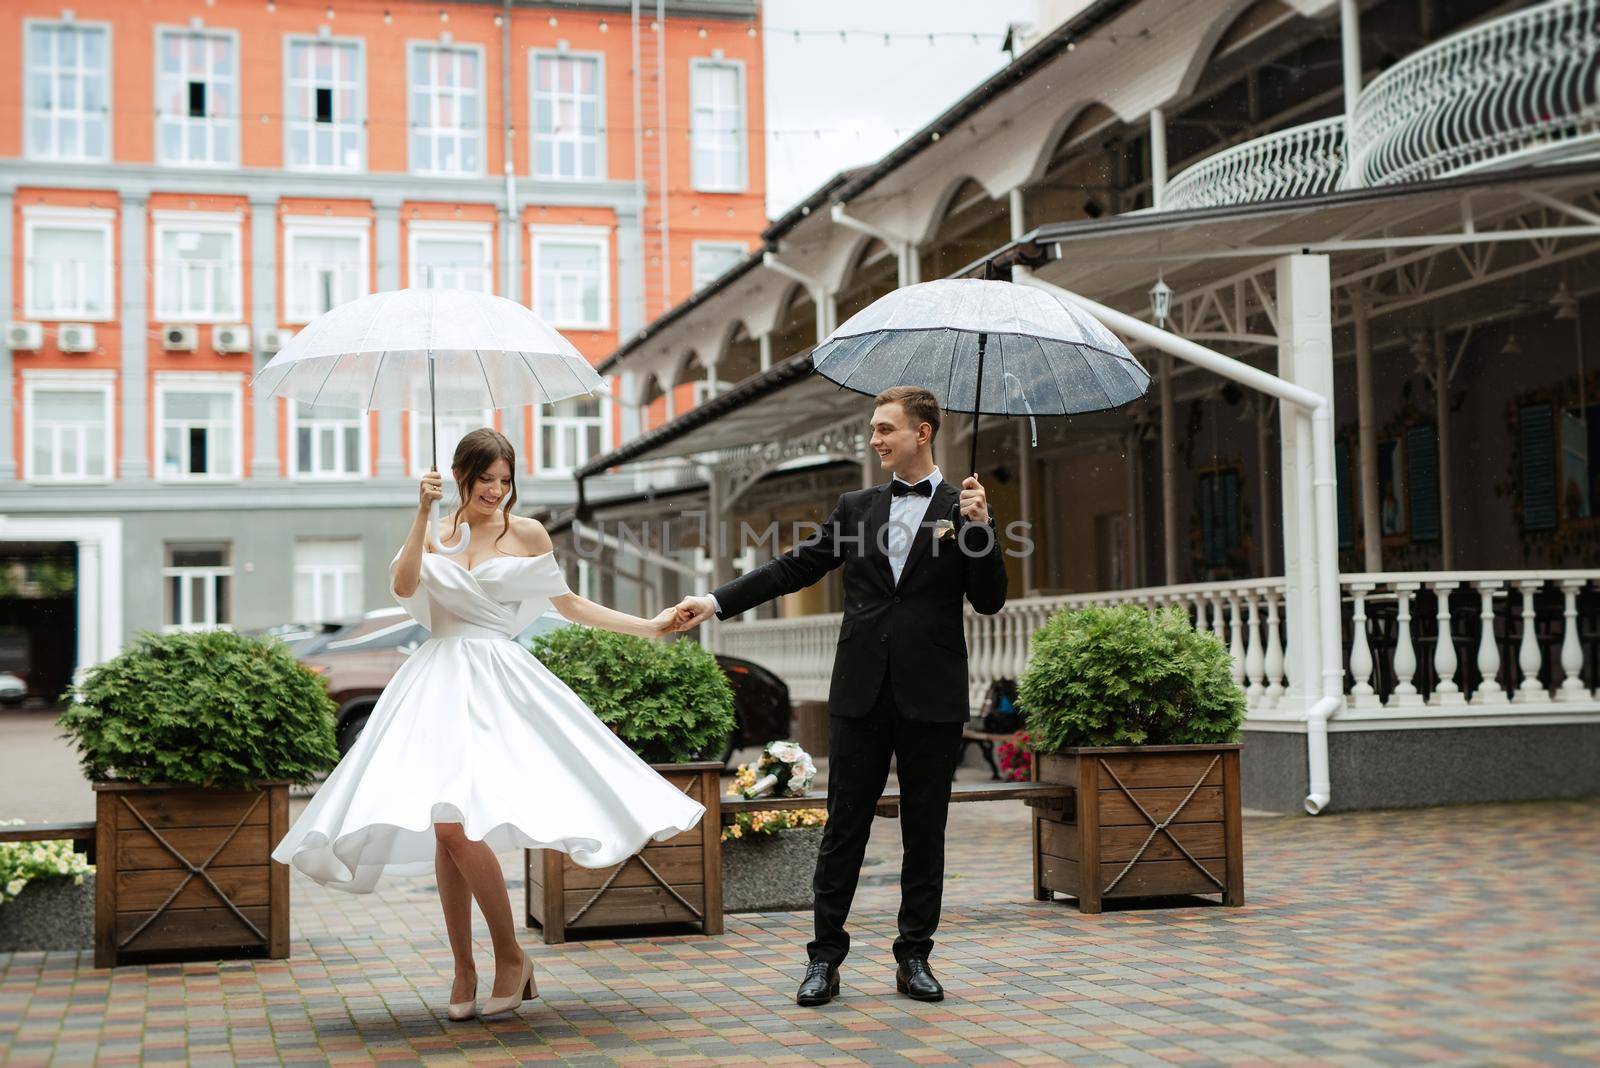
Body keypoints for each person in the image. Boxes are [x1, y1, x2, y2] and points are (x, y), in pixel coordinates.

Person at [272, 428, 701, 1022]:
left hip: (497, 682)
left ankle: (507, 958)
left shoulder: (525, 533)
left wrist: (648, 627)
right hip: (435, 682)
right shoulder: (437, 532)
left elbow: (567, 604)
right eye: (485, 480)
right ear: (459, 476)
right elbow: (402, 585)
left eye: (504, 480)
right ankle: (463, 967)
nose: (496, 491)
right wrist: (422, 511)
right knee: (447, 827)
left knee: (457, 829)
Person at [672, 385, 1007, 1006]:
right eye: (874, 429)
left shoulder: (966, 509)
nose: (875, 439)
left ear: (923, 432)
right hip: (860, 692)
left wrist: (981, 528)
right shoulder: (856, 507)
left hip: (932, 696)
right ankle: (824, 959)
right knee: (844, 829)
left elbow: (988, 599)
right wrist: (715, 602)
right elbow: (794, 567)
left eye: (886, 429)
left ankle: (915, 958)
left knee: (925, 832)